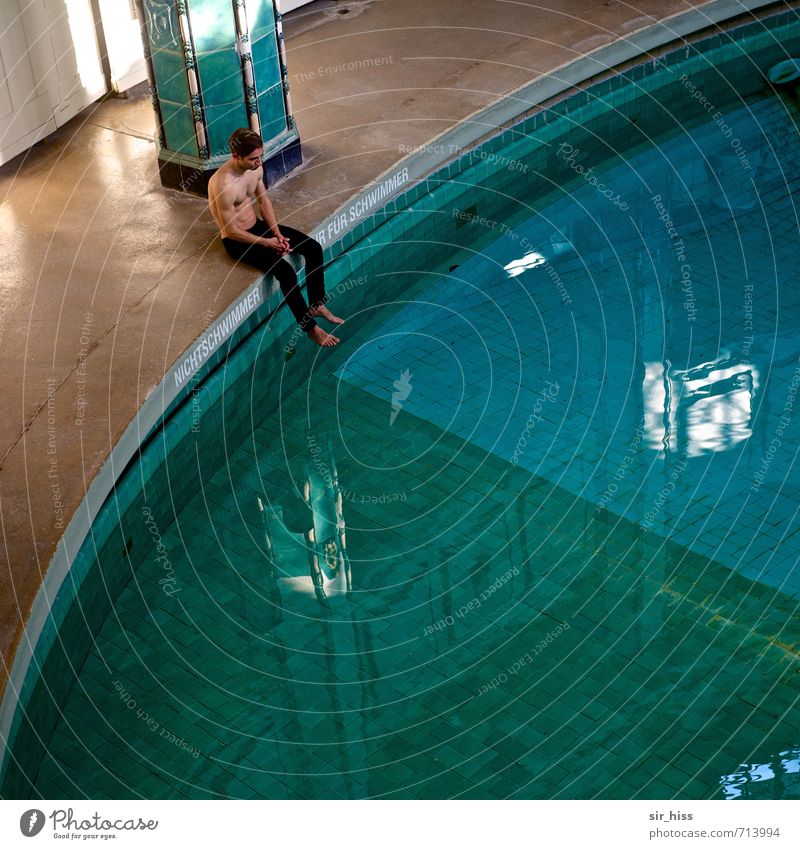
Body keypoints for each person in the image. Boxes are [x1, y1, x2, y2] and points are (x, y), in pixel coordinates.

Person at [208, 128, 344, 347]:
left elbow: (263, 202)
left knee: (312, 248)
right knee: (286, 272)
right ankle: (311, 329)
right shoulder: (223, 185)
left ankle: (317, 303)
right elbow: (230, 230)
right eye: (253, 158)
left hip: (257, 227)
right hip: (237, 241)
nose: (259, 162)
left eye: (260, 156)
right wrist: (266, 243)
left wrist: (277, 234)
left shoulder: (254, 170)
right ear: (236, 156)